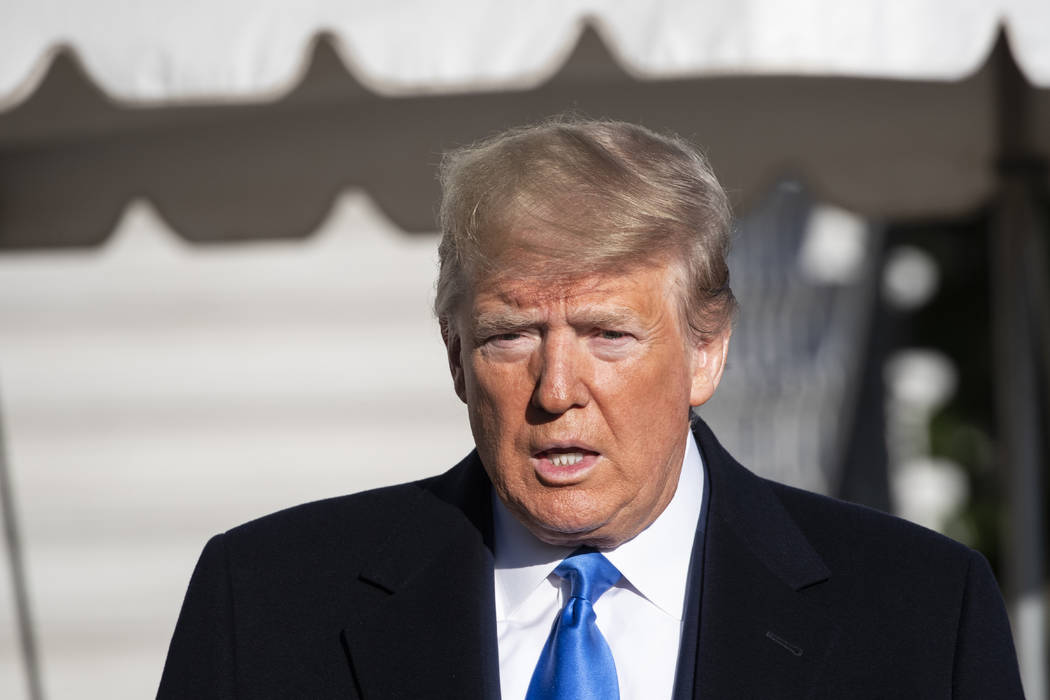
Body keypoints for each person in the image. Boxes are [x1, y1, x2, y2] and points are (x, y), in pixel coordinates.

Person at [158, 118, 1024, 699]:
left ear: (706, 350)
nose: (556, 388)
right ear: (455, 355)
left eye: (608, 334)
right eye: (511, 335)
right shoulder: (267, 604)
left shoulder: (920, 614)